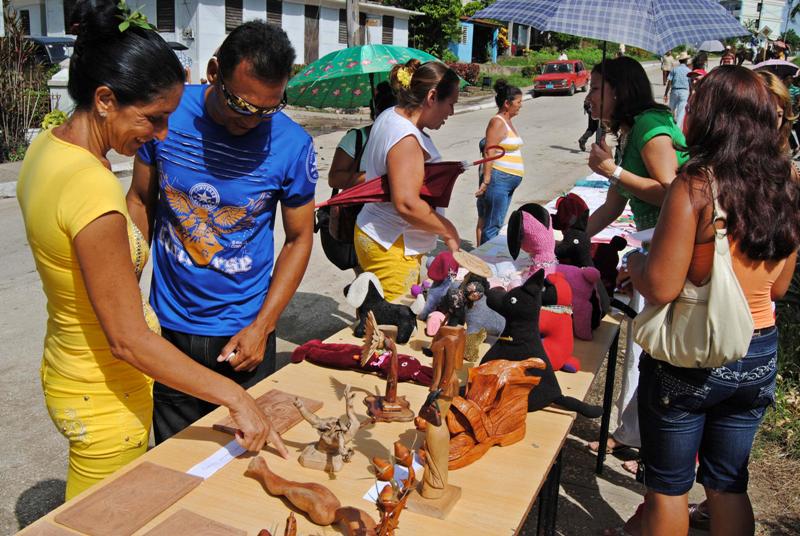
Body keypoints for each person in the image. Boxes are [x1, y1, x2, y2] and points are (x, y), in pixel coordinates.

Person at [16, 0, 285, 500]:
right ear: (103, 99)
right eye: (153, 118)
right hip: (104, 395)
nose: (160, 136)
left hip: (69, 364)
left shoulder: (46, 149)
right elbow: (128, 341)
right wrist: (234, 397)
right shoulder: (90, 192)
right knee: (103, 518)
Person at [626, 66, 800, 536]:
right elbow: (778, 289)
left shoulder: (696, 186)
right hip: (760, 348)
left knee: (668, 487)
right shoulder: (787, 185)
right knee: (728, 484)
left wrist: (635, 261)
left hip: (694, 355)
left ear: (710, 116)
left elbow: (662, 285)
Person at [127, 21, 317, 444]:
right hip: (168, 330)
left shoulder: (291, 144)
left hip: (244, 335)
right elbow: (140, 201)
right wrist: (127, 295)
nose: (253, 121)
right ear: (214, 72)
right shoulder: (168, 116)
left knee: (250, 459)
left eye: (270, 109)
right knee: (176, 459)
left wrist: (264, 326)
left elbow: (300, 237)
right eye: (242, 106)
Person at [584, 57, 687, 474]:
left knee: (649, 346)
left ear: (620, 91)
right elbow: (612, 205)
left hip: (668, 248)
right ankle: (631, 433)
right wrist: (566, 243)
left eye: (595, 88)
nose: (588, 97)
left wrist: (614, 170)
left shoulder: (648, 125)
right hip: (651, 245)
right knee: (639, 345)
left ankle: (642, 439)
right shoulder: (626, 132)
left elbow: (675, 193)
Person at [354, 59, 461, 300]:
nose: (451, 112)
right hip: (392, 245)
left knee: (377, 315)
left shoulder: (390, 115)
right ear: (432, 97)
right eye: (451, 104)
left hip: (378, 234)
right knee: (395, 325)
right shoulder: (406, 138)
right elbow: (406, 204)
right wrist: (448, 231)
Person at [476, 79, 524, 245]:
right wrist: (486, 179)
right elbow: (490, 150)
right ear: (506, 103)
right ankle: (486, 265)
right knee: (492, 225)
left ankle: (488, 261)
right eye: (518, 102)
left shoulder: (508, 121)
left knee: (496, 223)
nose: (520, 105)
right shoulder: (497, 122)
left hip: (508, 181)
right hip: (499, 179)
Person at [328, 82, 397, 190]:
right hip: (358, 206)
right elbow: (334, 179)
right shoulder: (355, 139)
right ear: (376, 112)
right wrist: (377, 177)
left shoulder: (406, 140)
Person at [664, 51, 691, 129]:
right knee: (681, 112)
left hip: (674, 91)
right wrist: (691, 94)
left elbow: (669, 82)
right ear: (686, 61)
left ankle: (668, 126)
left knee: (671, 110)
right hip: (684, 92)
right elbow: (690, 84)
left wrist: (665, 94)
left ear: (679, 61)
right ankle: (677, 130)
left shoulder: (674, 70)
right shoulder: (689, 71)